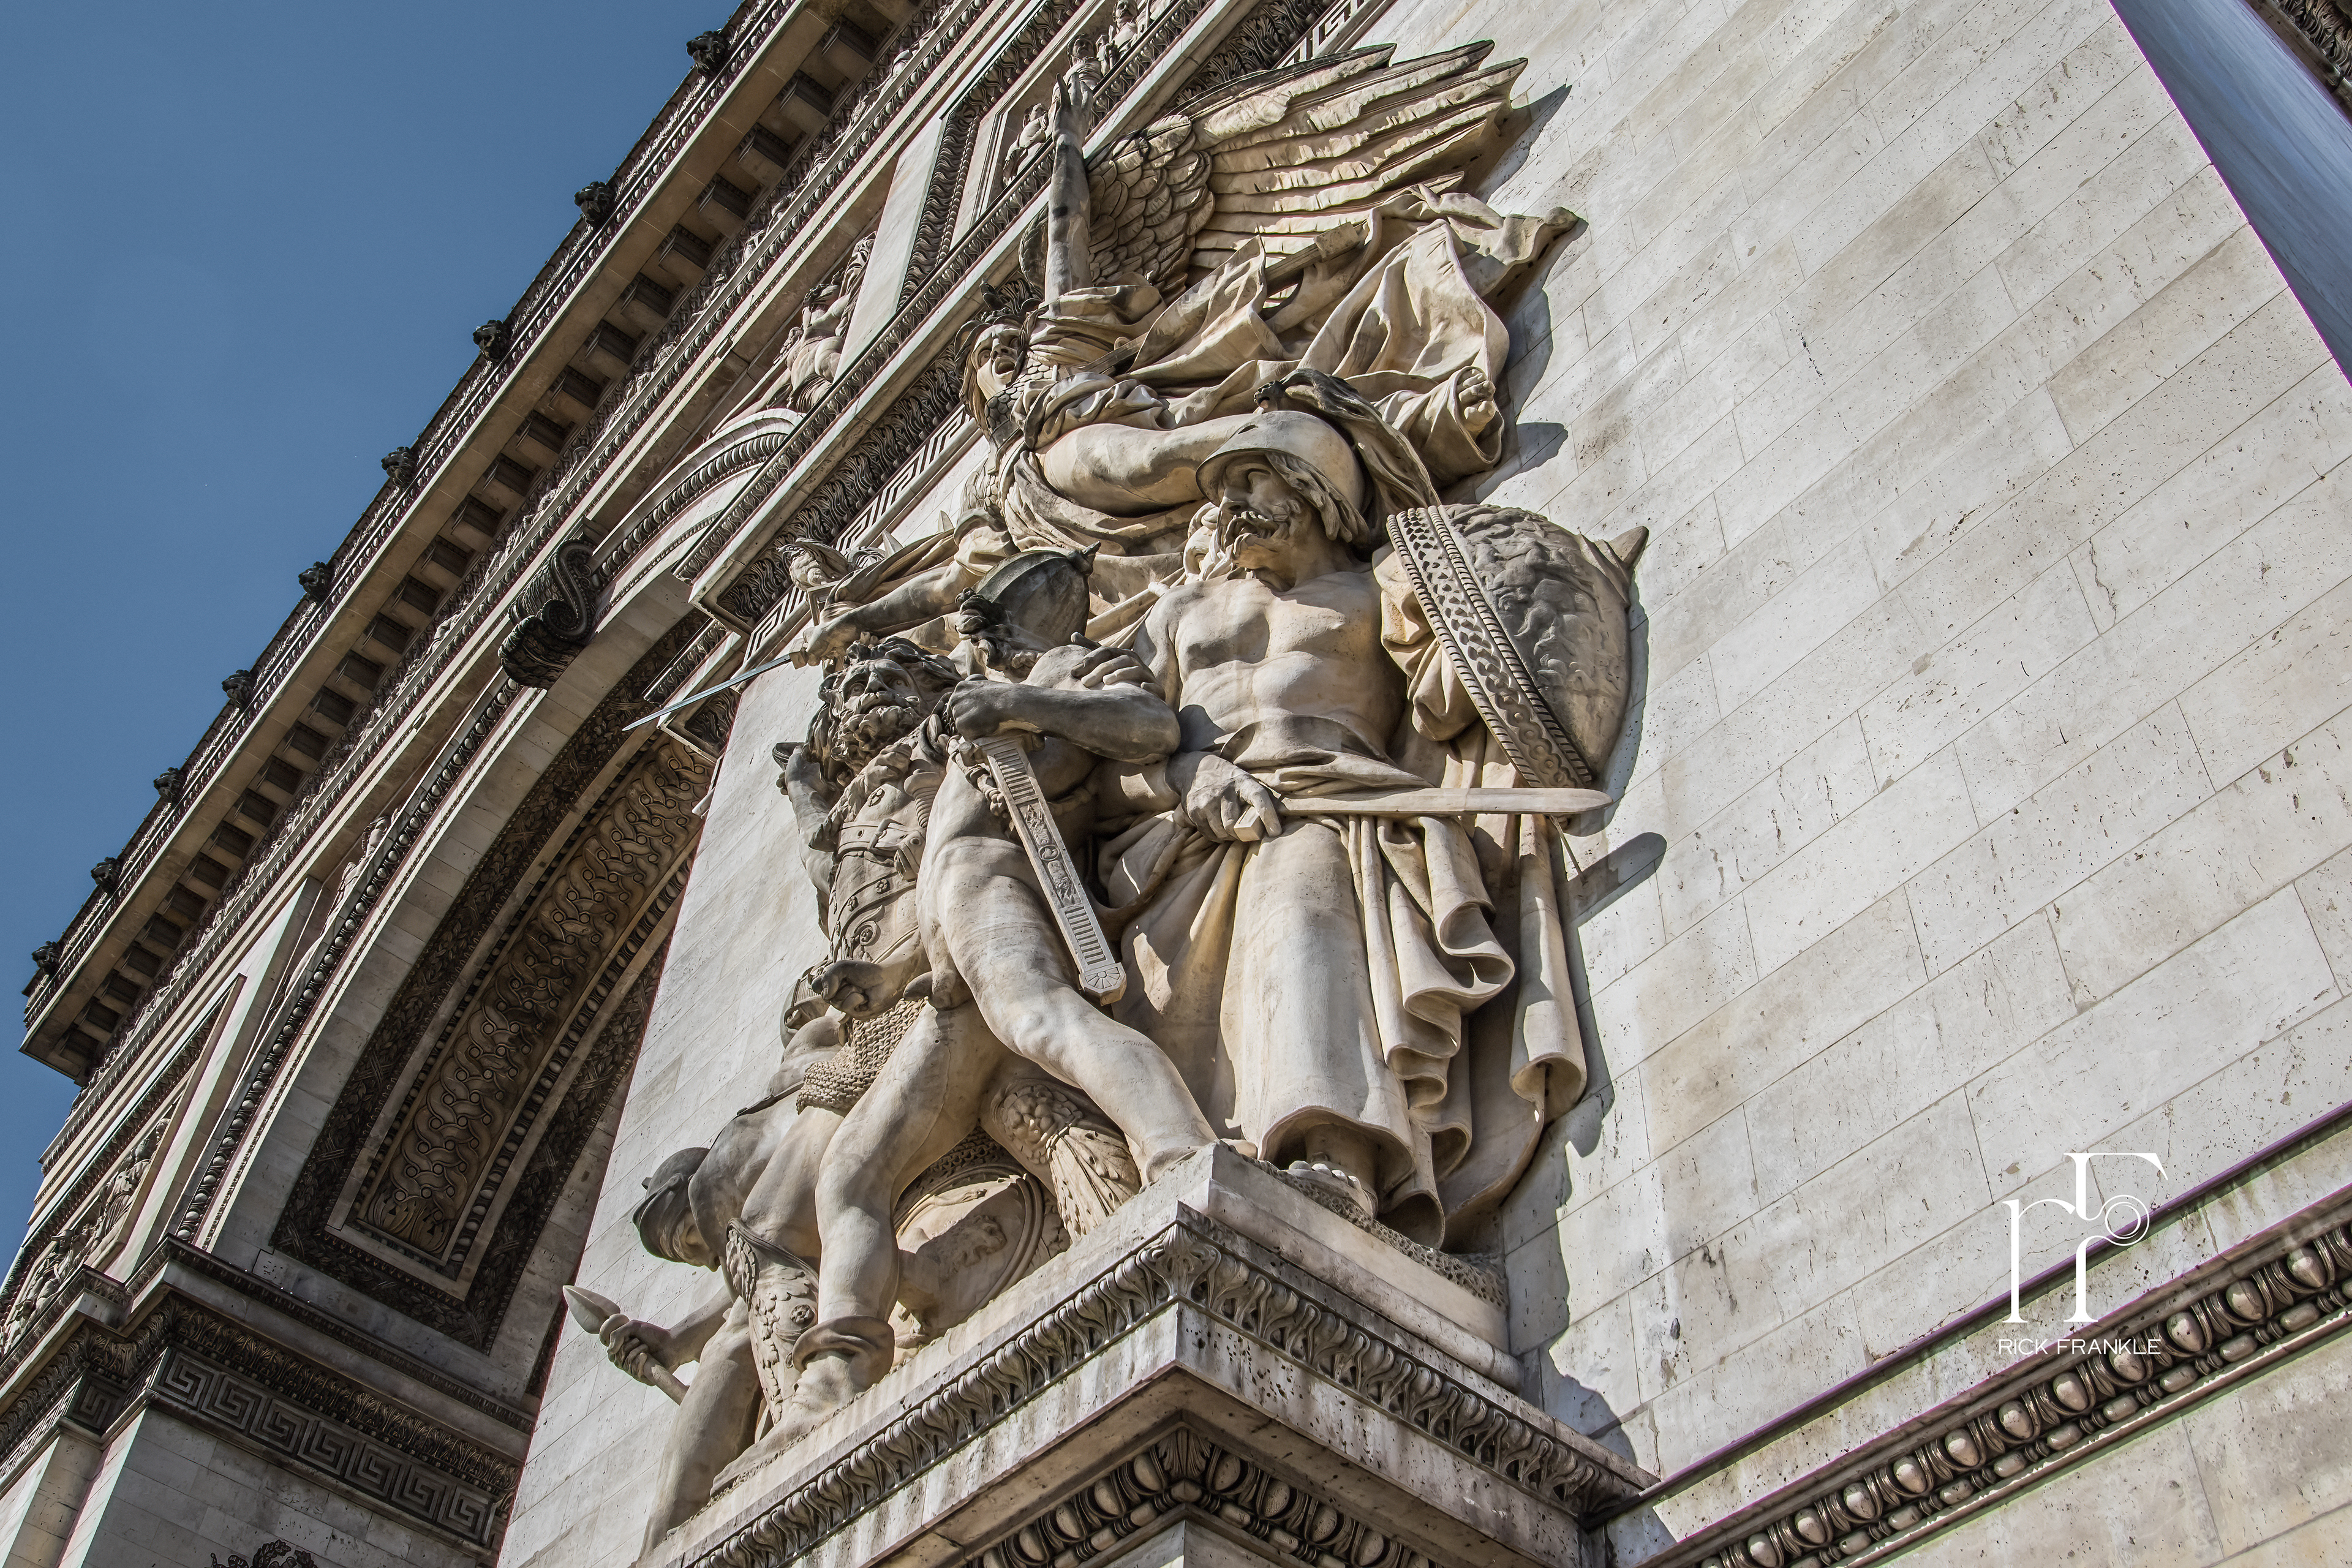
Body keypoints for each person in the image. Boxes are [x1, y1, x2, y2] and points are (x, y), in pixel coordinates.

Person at [717, 550, 1217, 1484]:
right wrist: (887, 968)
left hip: (1002, 891)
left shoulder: (1066, 672)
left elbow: (1148, 728)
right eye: (977, 624)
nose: (979, 633)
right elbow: (922, 860)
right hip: (941, 947)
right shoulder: (967, 717)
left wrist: (1020, 707)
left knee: (1050, 1026)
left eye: (992, 616)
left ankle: (1181, 1161)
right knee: (855, 1172)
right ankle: (838, 1374)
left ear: (1035, 614)